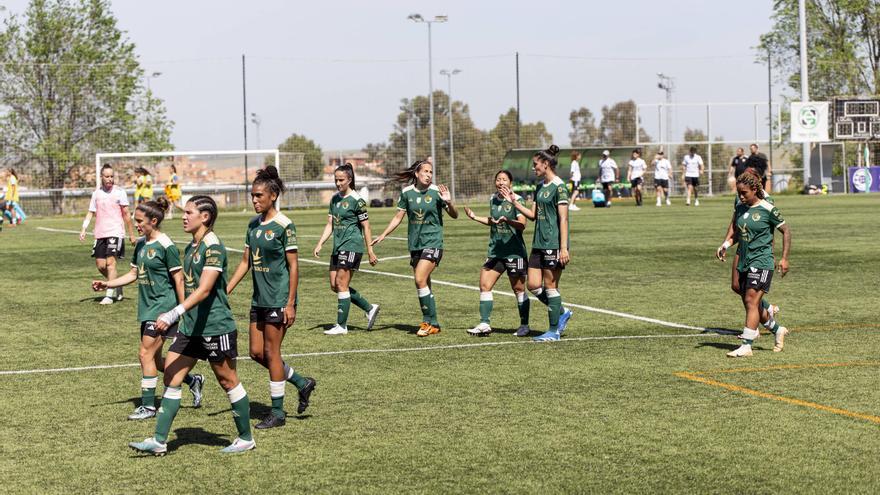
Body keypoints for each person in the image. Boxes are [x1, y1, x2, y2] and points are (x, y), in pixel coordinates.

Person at [129, 195, 255, 455]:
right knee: (172, 376)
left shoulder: (213, 246)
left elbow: (206, 289)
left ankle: (246, 438)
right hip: (191, 327)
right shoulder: (192, 246)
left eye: (189, 212)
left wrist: (173, 312)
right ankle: (159, 441)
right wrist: (182, 315)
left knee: (227, 380)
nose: (183, 216)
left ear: (205, 217)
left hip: (215, 326)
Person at [91, 197, 204, 420]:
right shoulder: (142, 244)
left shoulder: (166, 245)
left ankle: (148, 406)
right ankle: (193, 380)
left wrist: (181, 311)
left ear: (154, 220)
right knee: (154, 359)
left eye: (140, 221)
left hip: (163, 309)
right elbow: (133, 274)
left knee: (144, 354)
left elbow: (179, 280)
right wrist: (108, 285)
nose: (136, 224)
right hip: (147, 308)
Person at [227, 167, 316, 429]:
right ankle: (301, 382)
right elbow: (246, 262)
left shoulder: (285, 225)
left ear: (273, 195)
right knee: (256, 353)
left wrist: (290, 303)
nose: (254, 200)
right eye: (252, 196)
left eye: (258, 196)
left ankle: (277, 413)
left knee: (272, 352)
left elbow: (294, 266)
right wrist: (226, 290)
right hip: (259, 300)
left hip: (279, 299)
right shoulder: (253, 225)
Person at [372, 159, 459, 337]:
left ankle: (427, 322)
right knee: (424, 283)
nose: (428, 175)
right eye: (425, 171)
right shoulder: (406, 193)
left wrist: (449, 202)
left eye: (430, 172)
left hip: (433, 242)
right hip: (415, 245)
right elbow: (398, 217)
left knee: (420, 279)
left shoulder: (436, 192)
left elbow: (455, 215)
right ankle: (434, 323)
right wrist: (384, 234)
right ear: (417, 174)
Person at [715, 172, 791, 358]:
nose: (740, 196)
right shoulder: (741, 207)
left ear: (755, 189)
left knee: (751, 301)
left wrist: (784, 258)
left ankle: (746, 345)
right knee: (745, 295)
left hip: (762, 260)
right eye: (739, 192)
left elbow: (786, 231)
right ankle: (776, 329)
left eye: (744, 193)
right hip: (744, 257)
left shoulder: (768, 207)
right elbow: (736, 231)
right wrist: (725, 245)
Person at [504, 145, 573, 342]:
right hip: (538, 244)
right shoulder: (540, 186)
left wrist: (564, 247)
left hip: (553, 244)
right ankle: (562, 311)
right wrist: (515, 203)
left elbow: (563, 219)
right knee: (534, 285)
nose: (533, 168)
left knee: (550, 286)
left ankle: (553, 331)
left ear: (546, 164)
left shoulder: (559, 187)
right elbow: (533, 215)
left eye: (536, 165)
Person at [313, 163, 380, 335]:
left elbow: (366, 227)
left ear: (349, 180)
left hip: (352, 246)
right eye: (336, 180)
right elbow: (330, 224)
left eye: (341, 180)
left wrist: (370, 250)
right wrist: (320, 242)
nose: (338, 183)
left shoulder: (357, 201)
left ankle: (341, 326)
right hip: (338, 247)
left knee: (342, 284)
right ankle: (369, 308)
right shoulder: (334, 199)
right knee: (335, 285)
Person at [463, 170, 530, 337]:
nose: (501, 182)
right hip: (496, 251)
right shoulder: (493, 199)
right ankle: (485, 323)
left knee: (518, 289)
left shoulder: (517, 200)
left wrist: (507, 220)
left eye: (504, 179)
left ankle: (524, 325)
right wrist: (474, 217)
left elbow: (523, 224)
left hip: (514, 253)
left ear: (510, 183)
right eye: (498, 179)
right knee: (484, 285)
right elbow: (492, 222)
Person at [81, 164, 137, 305]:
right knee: (100, 265)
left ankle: (109, 295)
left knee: (111, 263)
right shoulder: (96, 194)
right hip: (100, 233)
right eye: (107, 176)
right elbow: (90, 212)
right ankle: (117, 284)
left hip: (115, 232)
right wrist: (83, 228)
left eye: (112, 176)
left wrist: (131, 234)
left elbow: (126, 214)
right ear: (101, 177)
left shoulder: (120, 192)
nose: (110, 179)